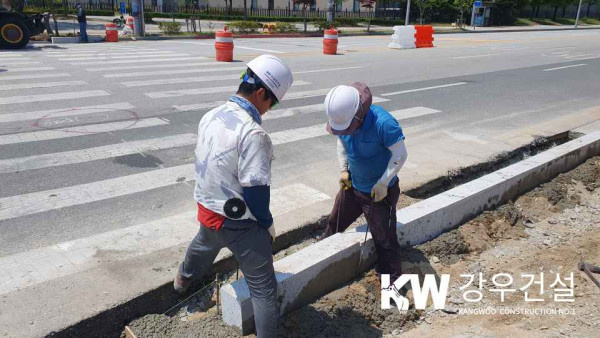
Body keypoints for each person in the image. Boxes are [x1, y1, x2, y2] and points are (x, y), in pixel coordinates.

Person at [173, 55, 293, 338]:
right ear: (262, 93)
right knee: (264, 289)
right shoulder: (254, 134)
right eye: (271, 103)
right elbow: (256, 191)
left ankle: (180, 283)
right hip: (239, 225)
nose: (269, 109)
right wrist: (266, 223)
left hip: (207, 211)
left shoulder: (211, 115)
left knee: (202, 246)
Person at [320, 82, 408, 281]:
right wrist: (344, 169)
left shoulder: (383, 123)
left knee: (385, 240)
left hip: (378, 193)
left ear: (359, 115)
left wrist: (383, 183)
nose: (346, 131)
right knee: (334, 223)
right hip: (352, 186)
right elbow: (341, 140)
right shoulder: (343, 119)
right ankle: (320, 255)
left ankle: (391, 280)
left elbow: (400, 154)